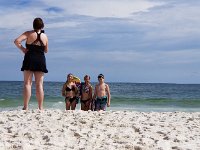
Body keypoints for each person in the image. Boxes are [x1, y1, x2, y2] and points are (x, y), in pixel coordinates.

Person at [14, 18, 48, 110]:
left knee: (27, 83)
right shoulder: (45, 36)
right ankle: (40, 107)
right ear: (42, 26)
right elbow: (46, 50)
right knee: (39, 84)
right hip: (40, 59)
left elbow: (16, 41)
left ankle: (25, 107)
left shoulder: (28, 33)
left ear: (33, 25)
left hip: (29, 58)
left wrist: (23, 49)